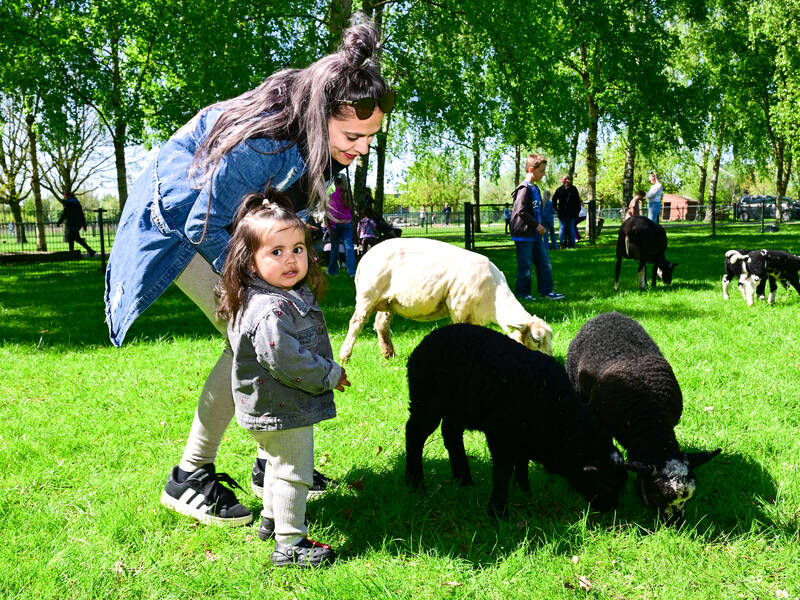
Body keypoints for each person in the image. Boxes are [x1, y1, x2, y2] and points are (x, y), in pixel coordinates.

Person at [104, 16, 394, 527]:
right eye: (353, 135)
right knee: (252, 338)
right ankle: (190, 476)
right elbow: (205, 224)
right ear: (321, 114)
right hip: (180, 226)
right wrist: (261, 291)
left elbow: (279, 206)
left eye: (370, 138)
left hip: (224, 225)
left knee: (267, 329)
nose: (362, 149)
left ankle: (270, 465)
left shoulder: (317, 134)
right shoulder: (268, 142)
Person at [219, 189, 348, 567]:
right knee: (293, 470)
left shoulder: (259, 296)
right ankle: (290, 544)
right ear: (250, 261)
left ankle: (271, 520)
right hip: (282, 405)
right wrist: (329, 374)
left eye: (297, 249)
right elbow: (287, 361)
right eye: (276, 252)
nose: (291, 260)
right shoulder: (271, 308)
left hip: (262, 405)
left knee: (275, 463)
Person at [510, 153, 565, 301]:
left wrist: (538, 226)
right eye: (541, 171)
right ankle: (523, 293)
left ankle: (547, 291)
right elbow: (520, 211)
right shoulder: (523, 189)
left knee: (544, 263)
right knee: (526, 266)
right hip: (524, 234)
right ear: (531, 169)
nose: (543, 174)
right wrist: (537, 225)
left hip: (535, 234)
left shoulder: (535, 189)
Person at [326, 173, 356, 276]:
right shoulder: (348, 196)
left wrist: (329, 225)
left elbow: (332, 213)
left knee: (334, 248)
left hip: (336, 225)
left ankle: (332, 271)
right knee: (349, 248)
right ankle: (351, 272)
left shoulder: (333, 196)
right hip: (347, 224)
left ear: (335, 183)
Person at [552, 175, 581, 249]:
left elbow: (577, 201)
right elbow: (554, 199)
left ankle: (572, 244)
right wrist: (556, 209)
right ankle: (562, 244)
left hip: (571, 213)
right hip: (562, 213)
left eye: (568, 179)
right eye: (565, 179)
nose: (566, 180)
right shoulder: (559, 189)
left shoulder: (573, 189)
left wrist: (578, 210)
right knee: (562, 228)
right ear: (562, 180)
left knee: (571, 227)